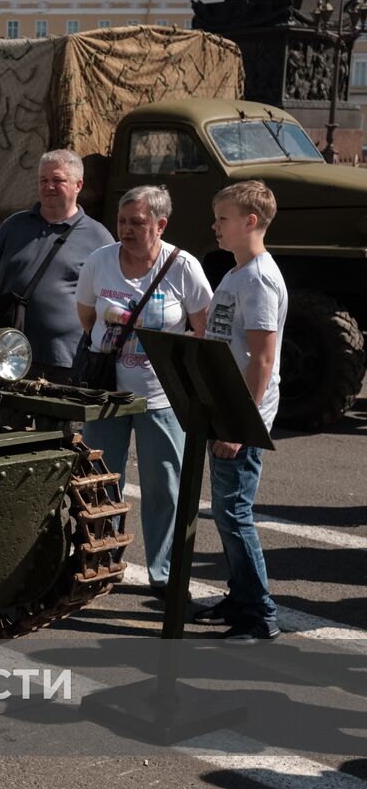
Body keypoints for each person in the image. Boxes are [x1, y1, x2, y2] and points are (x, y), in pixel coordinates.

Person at [76, 185, 212, 599]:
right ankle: (101, 564)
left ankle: (164, 573)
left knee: (163, 489)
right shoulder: (100, 261)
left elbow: (203, 330)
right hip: (107, 398)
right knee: (100, 485)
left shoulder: (182, 266)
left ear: (160, 224)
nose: (127, 230)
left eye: (137, 223)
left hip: (161, 398)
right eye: (122, 222)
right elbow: (86, 318)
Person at [191, 181, 289, 643]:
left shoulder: (260, 279)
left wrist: (239, 423)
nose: (215, 225)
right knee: (228, 512)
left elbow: (263, 359)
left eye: (223, 218)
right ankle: (239, 595)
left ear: (250, 222)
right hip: (223, 409)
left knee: (234, 512)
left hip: (240, 418)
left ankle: (260, 614)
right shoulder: (235, 274)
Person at [0, 149, 115, 382]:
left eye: (58, 180)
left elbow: (110, 298)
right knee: (1, 419)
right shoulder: (13, 226)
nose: (49, 186)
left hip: (65, 361)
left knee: (58, 419)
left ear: (78, 185)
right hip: (8, 354)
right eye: (43, 180)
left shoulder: (98, 238)